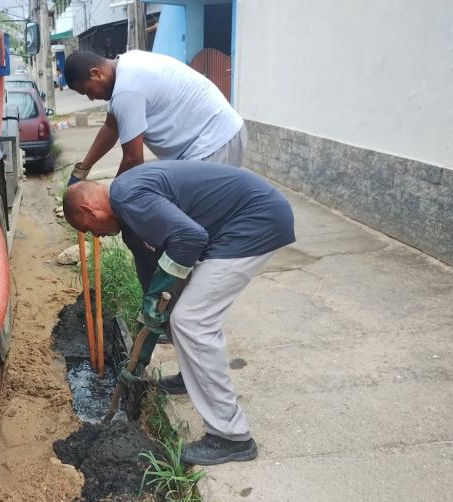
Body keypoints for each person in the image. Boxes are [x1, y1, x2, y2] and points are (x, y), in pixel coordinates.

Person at [63, 161, 295, 465]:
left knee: (192, 320)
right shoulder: (131, 225)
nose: (99, 236)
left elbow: (190, 237)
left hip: (253, 221)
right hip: (231, 225)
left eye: (89, 230)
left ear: (89, 212)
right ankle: (192, 377)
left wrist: (162, 300)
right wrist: (143, 343)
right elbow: (153, 287)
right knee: (174, 311)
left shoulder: (128, 196)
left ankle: (231, 436)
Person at [64, 50, 247, 183]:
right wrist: (83, 169)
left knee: (198, 219)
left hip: (213, 143)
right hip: (212, 139)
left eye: (88, 91)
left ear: (96, 73)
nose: (91, 98)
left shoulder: (126, 90)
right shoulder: (126, 64)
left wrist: (110, 201)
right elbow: (111, 128)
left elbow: (133, 160)